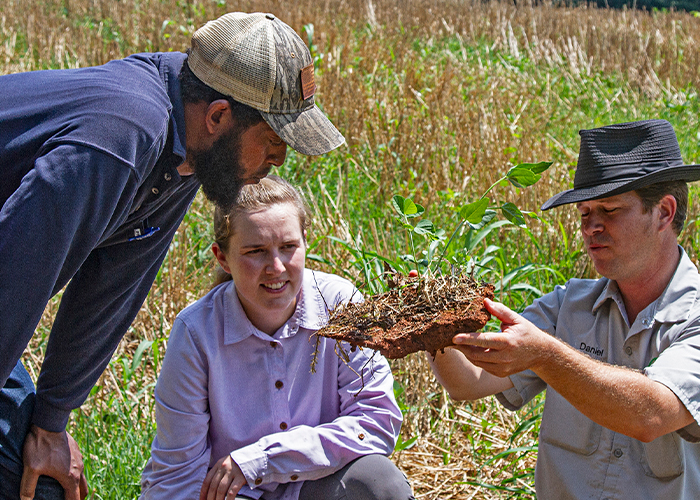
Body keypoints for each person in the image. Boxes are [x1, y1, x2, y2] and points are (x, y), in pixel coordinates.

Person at [0, 12, 345, 500]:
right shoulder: (118, 138)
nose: (280, 161)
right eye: (271, 141)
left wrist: (50, 422)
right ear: (220, 116)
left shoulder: (190, 150)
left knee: (40, 485)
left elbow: (111, 288)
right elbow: (11, 279)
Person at [428, 119, 700, 499]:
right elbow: (468, 382)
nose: (592, 227)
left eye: (609, 209)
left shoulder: (695, 319)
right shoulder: (568, 306)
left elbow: (650, 414)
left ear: (664, 213)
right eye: (585, 213)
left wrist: (545, 355)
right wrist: (435, 329)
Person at [139, 175, 413, 500]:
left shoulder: (340, 304)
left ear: (305, 242)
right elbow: (178, 474)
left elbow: (376, 421)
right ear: (222, 257)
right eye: (256, 251)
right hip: (231, 494)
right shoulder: (196, 332)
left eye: (288, 247)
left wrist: (261, 460)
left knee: (380, 485)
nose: (277, 267)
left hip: (316, 482)